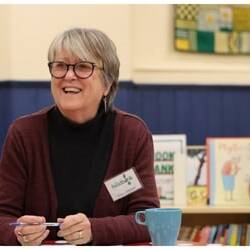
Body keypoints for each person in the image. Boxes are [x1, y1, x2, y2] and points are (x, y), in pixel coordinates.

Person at [0, 27, 159, 245]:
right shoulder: (24, 134)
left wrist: (94, 230)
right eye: (60, 66)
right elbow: (2, 218)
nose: (68, 75)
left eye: (83, 67)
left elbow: (148, 220)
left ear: (107, 84)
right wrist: (18, 233)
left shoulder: (132, 134)